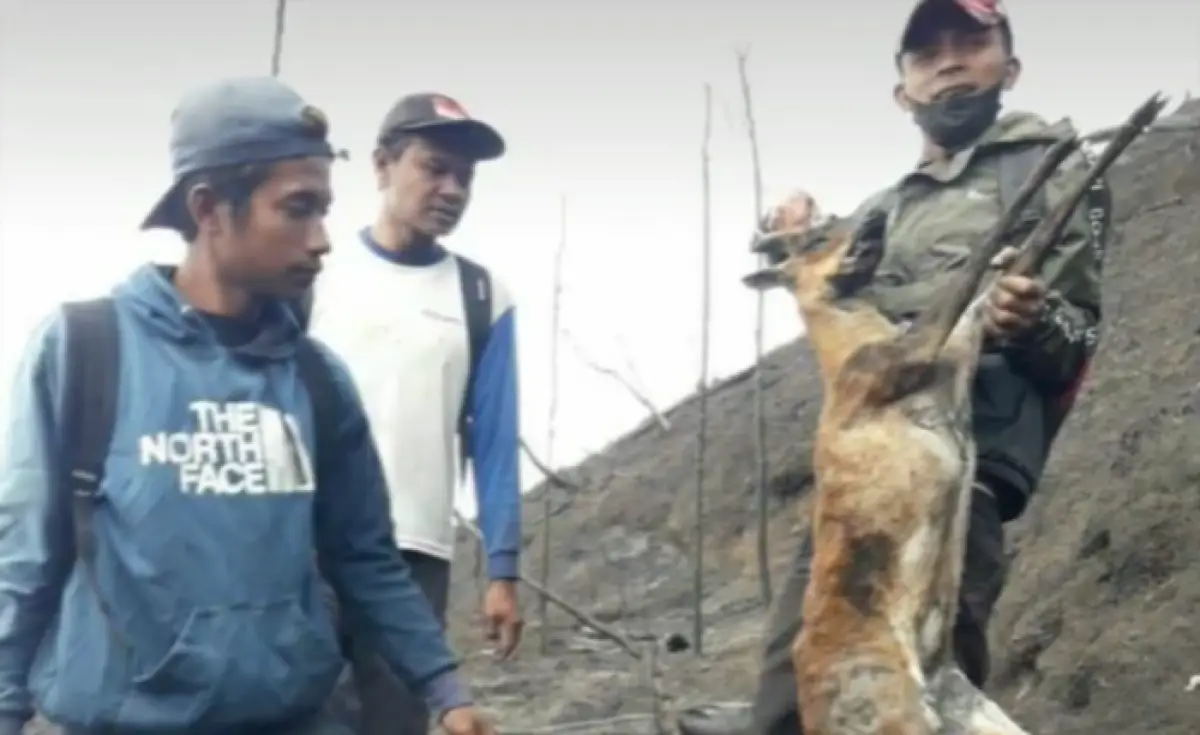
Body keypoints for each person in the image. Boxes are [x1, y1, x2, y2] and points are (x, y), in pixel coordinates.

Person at [0, 77, 495, 735]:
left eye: (324, 209)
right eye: (297, 208)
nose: (322, 238)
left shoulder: (316, 380)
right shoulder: (87, 350)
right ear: (209, 208)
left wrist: (446, 690)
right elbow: (24, 561)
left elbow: (366, 559)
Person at [678, 1, 1108, 733]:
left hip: (961, 471)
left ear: (1011, 65)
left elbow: (1076, 334)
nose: (949, 62)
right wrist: (793, 233)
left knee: (932, 683)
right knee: (793, 679)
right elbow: (839, 306)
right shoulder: (883, 210)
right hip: (866, 479)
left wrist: (1029, 318)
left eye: (971, 42)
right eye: (926, 54)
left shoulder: (1050, 168)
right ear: (902, 91)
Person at [307, 92, 523, 735]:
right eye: (434, 168)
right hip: (306, 544)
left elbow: (495, 438)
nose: (451, 189)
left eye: (466, 177)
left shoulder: (482, 295)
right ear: (381, 166)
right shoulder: (316, 272)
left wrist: (503, 571)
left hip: (413, 556)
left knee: (395, 721)